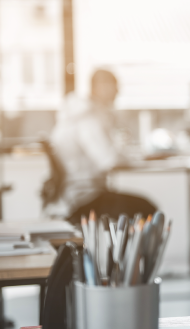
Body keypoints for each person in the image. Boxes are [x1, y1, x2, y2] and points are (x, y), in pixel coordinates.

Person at [44, 69, 155, 222]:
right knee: (147, 210)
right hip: (84, 197)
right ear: (101, 86)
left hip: (75, 193)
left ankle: (120, 246)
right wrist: (135, 160)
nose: (118, 91)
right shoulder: (86, 118)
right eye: (115, 86)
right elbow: (108, 160)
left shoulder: (81, 114)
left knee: (143, 207)